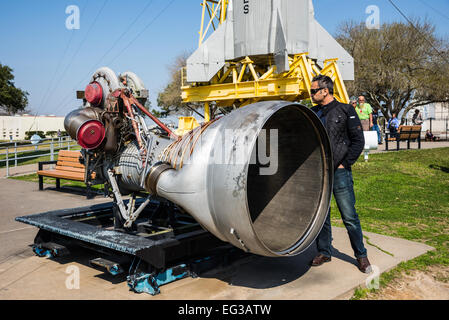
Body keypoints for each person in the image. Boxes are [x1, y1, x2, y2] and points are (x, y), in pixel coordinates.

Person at [309, 75, 372, 274]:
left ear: (324, 91)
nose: (310, 94)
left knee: (349, 217)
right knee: (321, 217)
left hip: (340, 173)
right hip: (320, 175)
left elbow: (358, 141)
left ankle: (361, 256)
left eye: (313, 91)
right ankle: (324, 251)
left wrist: (345, 163)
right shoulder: (312, 113)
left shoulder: (346, 110)